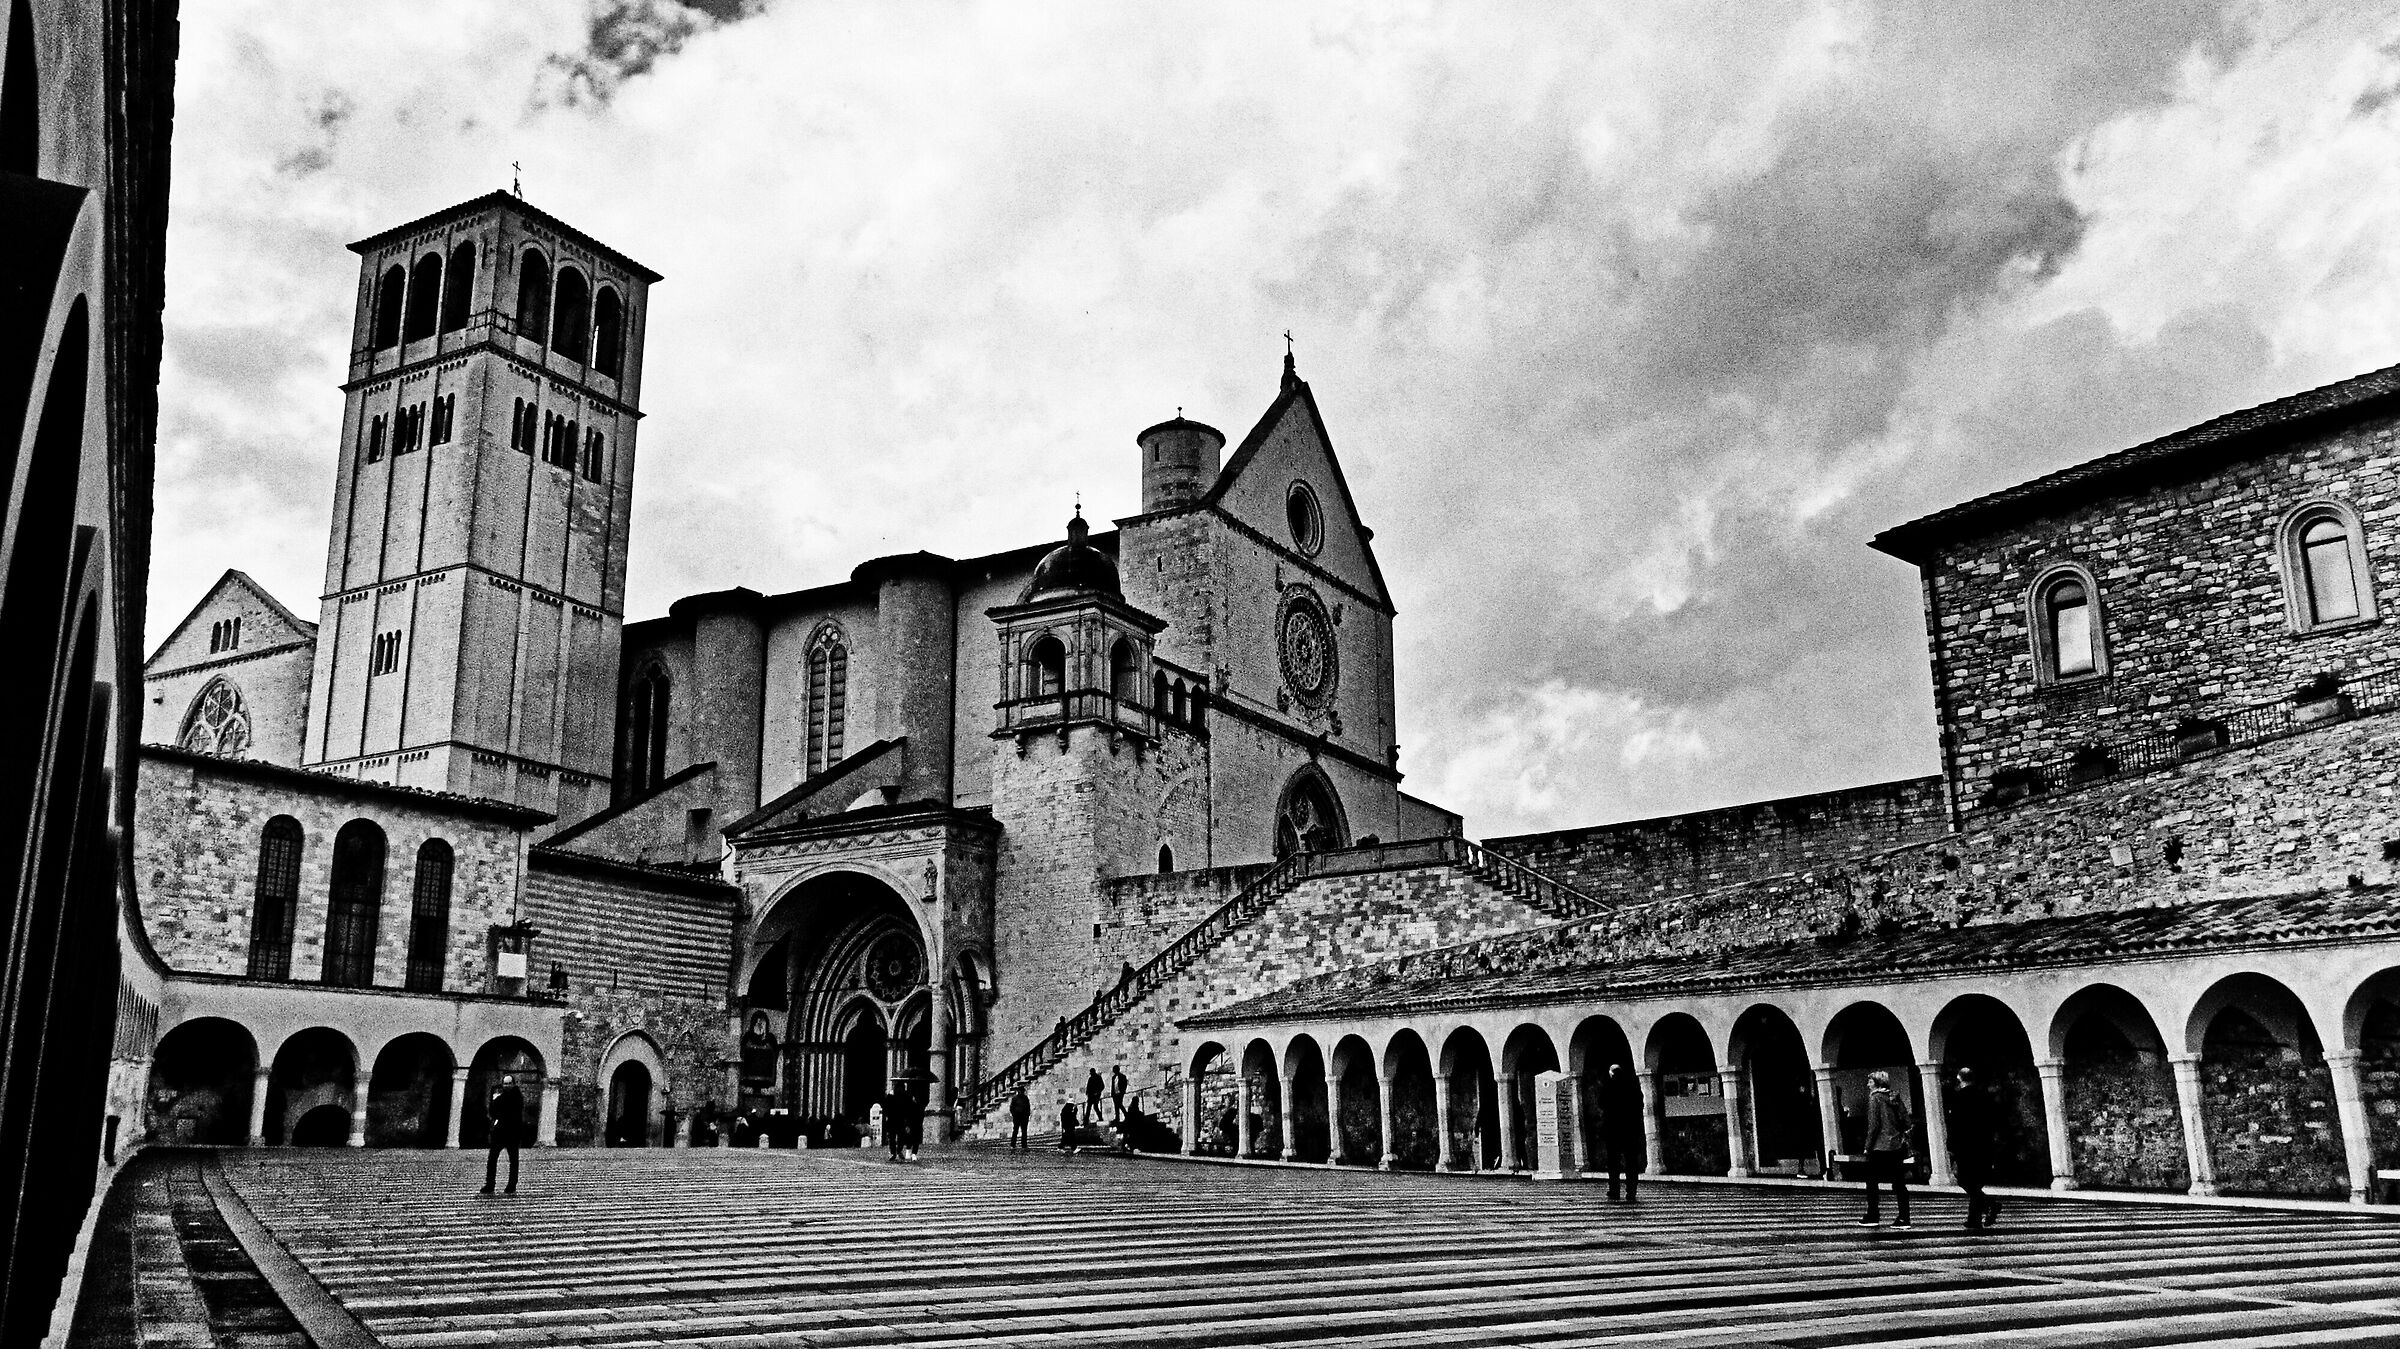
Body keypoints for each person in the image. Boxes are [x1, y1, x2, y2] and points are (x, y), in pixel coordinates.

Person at [1859, 1069, 1914, 1230]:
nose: (1868, 1084)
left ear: (1876, 1083)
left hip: (1880, 1146)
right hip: (1896, 1145)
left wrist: (1867, 1147)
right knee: (1898, 1183)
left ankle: (1873, 1214)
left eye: (1870, 1081)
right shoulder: (1894, 1097)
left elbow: (1874, 1126)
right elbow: (1906, 1122)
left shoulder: (1875, 1099)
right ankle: (1904, 1217)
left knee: (1871, 1181)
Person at [1948, 1066, 1998, 1231]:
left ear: (1959, 1079)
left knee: (1964, 1179)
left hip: (1965, 1144)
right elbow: (1991, 1122)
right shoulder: (1984, 1096)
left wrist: (1951, 1146)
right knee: (1975, 1180)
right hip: (1983, 1144)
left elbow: (1954, 1124)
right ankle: (1974, 1218)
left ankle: (1989, 1204)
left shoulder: (1958, 1098)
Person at [1600, 1063, 1644, 1202]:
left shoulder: (1608, 1086)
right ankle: (1631, 1191)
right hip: (1630, 1129)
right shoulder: (1633, 1087)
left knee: (1613, 1161)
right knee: (1631, 1161)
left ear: (1611, 1073)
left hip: (1613, 1129)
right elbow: (1640, 1105)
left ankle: (1614, 1190)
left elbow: (1601, 1103)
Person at [481, 1072, 525, 1195]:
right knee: (492, 1159)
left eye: (509, 1083)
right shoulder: (501, 1097)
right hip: (500, 1133)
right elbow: (493, 1110)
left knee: (513, 1160)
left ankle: (511, 1185)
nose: (507, 1086)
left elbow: (507, 1112)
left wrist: (500, 1112)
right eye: (505, 1084)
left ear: (513, 1084)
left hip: (512, 1133)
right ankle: (490, 1184)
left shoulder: (517, 1097)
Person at [1008, 1085, 1032, 1151]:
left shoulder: (1025, 1098)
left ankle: (1024, 1144)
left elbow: (1028, 1107)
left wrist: (1027, 1115)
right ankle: (1013, 1144)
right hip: (1017, 1116)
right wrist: (1014, 1114)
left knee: (1024, 1131)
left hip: (1024, 1116)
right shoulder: (1015, 1098)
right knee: (1015, 1130)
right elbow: (1012, 1108)